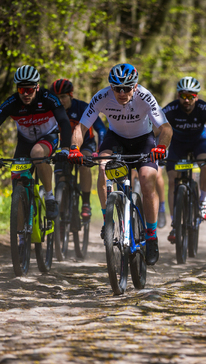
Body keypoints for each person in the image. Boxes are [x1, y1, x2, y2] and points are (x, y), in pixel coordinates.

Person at [68, 63, 173, 266]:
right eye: (117, 88)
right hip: (115, 139)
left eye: (127, 88)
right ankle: (108, 219)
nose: (122, 92)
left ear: (135, 86)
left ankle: (151, 236)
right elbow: (81, 127)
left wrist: (161, 146)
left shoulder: (145, 95)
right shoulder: (102, 96)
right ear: (111, 87)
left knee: (146, 180)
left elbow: (166, 128)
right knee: (102, 166)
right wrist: (74, 148)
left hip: (144, 140)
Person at [0, 65, 71, 220]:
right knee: (17, 182)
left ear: (37, 87)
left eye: (29, 90)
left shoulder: (48, 98)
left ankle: (49, 198)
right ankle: (21, 238)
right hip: (25, 142)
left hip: (48, 137)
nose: (26, 94)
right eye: (22, 90)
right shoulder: (12, 102)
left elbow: (64, 122)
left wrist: (66, 148)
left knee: (37, 153)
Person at [162, 76, 206, 243]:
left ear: (196, 97)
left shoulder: (205, 108)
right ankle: (175, 223)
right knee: (172, 178)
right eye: (184, 96)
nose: (187, 100)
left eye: (191, 96)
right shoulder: (170, 109)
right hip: (177, 144)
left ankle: (203, 200)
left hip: (199, 142)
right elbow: (156, 129)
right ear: (178, 96)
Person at [50, 79, 107, 219]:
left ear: (71, 95)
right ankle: (61, 218)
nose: (60, 101)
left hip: (85, 144)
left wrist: (100, 149)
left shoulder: (83, 107)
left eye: (63, 97)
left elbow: (100, 129)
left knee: (83, 164)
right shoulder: (52, 111)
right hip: (63, 148)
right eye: (57, 98)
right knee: (60, 177)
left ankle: (86, 202)